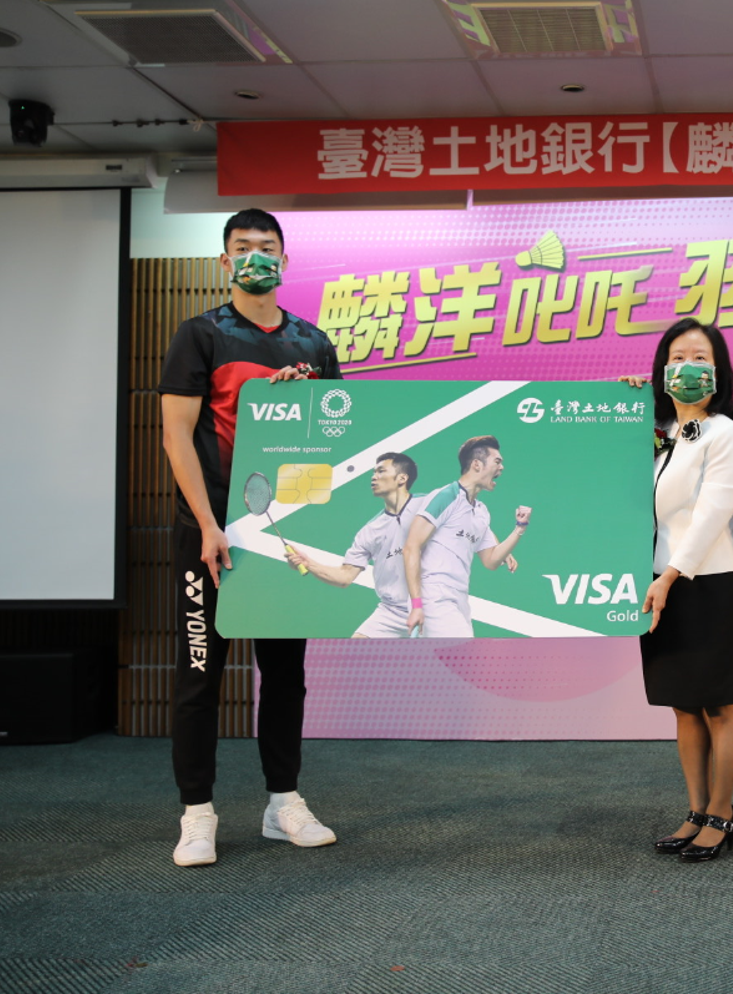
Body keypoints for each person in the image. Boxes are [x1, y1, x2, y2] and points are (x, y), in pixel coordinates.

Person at [158, 207, 341, 867]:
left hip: (280, 537)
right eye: (243, 247)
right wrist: (208, 524)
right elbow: (176, 434)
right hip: (208, 534)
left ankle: (282, 803)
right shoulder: (201, 334)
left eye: (267, 247)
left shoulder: (313, 342)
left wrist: (296, 402)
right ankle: (197, 815)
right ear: (225, 260)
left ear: (285, 261)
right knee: (199, 676)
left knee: (285, 676)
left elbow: (334, 437)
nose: (255, 258)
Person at [635, 318, 733, 863]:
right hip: (656, 580)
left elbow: (711, 514)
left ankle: (722, 812)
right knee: (683, 705)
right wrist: (624, 408)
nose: (688, 367)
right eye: (677, 357)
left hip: (710, 579)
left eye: (700, 357)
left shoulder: (724, 432)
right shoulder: (654, 434)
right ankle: (696, 809)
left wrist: (671, 575)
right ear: (662, 369)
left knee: (720, 704)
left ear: (719, 370)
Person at [283, 453, 428, 637]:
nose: (373, 477)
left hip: (433, 605)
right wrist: (308, 563)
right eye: (373, 472)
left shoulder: (429, 505)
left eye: (381, 471)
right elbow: (345, 577)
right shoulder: (370, 531)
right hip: (392, 611)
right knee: (357, 647)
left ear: (402, 478)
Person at [403, 436, 530, 639]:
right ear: (477, 464)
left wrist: (519, 528)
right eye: (497, 461)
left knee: (452, 657)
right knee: (464, 653)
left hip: (460, 596)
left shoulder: (481, 511)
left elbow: (491, 560)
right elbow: (411, 547)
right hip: (434, 593)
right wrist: (417, 604)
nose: (502, 467)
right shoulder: (446, 496)